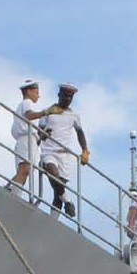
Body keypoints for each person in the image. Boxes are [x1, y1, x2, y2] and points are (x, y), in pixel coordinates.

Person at [40, 83, 89, 218]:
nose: (67, 99)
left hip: (65, 154)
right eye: (65, 96)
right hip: (49, 151)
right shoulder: (48, 112)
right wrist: (44, 134)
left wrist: (85, 150)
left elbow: (80, 132)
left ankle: (53, 220)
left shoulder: (74, 115)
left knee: (57, 192)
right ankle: (68, 200)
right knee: (52, 170)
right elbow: (40, 132)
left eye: (70, 97)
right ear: (59, 95)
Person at [8, 80, 50, 198]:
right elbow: (29, 115)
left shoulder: (24, 104)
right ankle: (15, 194)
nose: (38, 95)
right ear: (28, 91)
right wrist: (45, 112)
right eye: (36, 92)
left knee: (27, 169)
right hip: (26, 139)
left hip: (29, 139)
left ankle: (14, 189)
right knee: (24, 168)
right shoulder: (27, 102)